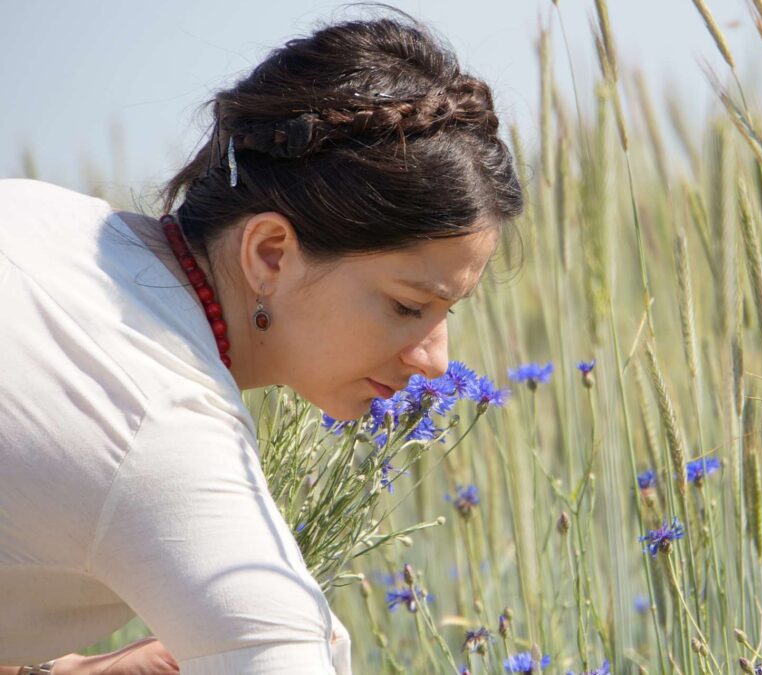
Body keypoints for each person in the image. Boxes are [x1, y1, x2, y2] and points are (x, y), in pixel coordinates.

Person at [0, 6, 524, 674]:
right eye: (407, 304)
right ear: (271, 252)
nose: (435, 359)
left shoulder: (37, 214)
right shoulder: (163, 428)